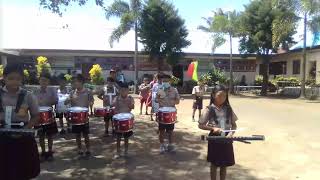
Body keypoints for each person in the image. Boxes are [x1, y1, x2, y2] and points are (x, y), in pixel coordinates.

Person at [0, 63, 40, 180]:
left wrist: (25, 129)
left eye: (18, 79)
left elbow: (35, 116)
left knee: (24, 171)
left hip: (23, 135)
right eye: (11, 78)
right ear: (4, 77)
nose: (14, 82)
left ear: (22, 79)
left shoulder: (28, 96)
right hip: (2, 137)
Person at [198, 85, 238, 180]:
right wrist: (212, 129)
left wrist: (231, 134)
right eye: (219, 95)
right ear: (213, 95)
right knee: (214, 164)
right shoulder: (209, 109)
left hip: (227, 139)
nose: (222, 98)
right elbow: (200, 125)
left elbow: (234, 125)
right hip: (214, 139)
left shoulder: (228, 109)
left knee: (224, 165)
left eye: (224, 96)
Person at [65, 74, 94, 158]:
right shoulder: (72, 92)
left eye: (76, 82)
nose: (74, 83)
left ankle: (88, 149)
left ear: (81, 82)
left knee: (86, 134)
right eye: (74, 82)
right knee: (77, 135)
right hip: (75, 118)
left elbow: (91, 101)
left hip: (84, 116)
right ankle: (80, 150)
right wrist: (69, 99)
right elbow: (65, 102)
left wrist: (90, 105)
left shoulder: (88, 92)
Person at [35, 72, 59, 162]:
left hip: (49, 115)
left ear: (48, 82)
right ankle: (43, 152)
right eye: (42, 80)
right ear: (39, 81)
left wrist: (46, 101)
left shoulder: (52, 90)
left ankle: (49, 151)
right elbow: (32, 103)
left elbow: (56, 100)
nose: (44, 82)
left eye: (45, 81)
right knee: (41, 135)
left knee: (50, 135)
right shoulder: (35, 91)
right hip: (38, 116)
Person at [156, 74, 180, 154]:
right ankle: (162, 145)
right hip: (162, 113)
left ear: (170, 81)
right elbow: (156, 100)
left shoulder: (174, 90)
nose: (165, 82)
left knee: (170, 131)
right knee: (161, 131)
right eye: (163, 81)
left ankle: (170, 145)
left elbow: (178, 101)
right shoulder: (160, 90)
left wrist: (172, 101)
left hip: (171, 113)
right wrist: (159, 98)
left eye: (166, 81)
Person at [112, 82, 135, 159]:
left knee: (126, 138)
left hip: (127, 121)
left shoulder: (130, 98)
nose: (123, 92)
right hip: (118, 121)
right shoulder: (117, 98)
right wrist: (115, 107)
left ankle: (126, 151)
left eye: (125, 90)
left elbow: (132, 107)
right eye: (122, 90)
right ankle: (118, 152)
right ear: (119, 91)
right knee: (118, 138)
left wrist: (129, 103)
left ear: (128, 91)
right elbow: (113, 107)